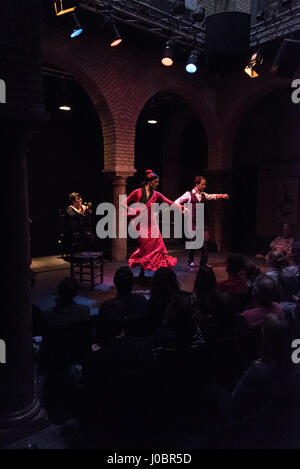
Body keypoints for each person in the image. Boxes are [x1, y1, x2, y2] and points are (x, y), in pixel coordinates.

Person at [123, 169, 183, 281]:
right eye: (156, 182)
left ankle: (158, 273)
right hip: (142, 226)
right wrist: (133, 211)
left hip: (153, 225)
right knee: (144, 249)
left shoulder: (156, 194)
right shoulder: (137, 192)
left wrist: (182, 207)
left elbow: (170, 202)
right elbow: (123, 203)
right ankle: (142, 271)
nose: (157, 184)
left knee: (158, 249)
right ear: (149, 182)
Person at [175, 176, 229, 268]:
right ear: (197, 184)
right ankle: (190, 260)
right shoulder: (188, 194)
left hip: (201, 222)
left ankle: (203, 262)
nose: (204, 186)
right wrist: (183, 211)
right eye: (202, 184)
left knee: (206, 242)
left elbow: (212, 196)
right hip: (191, 222)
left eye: (205, 184)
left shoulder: (203, 194)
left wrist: (222, 195)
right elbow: (176, 202)